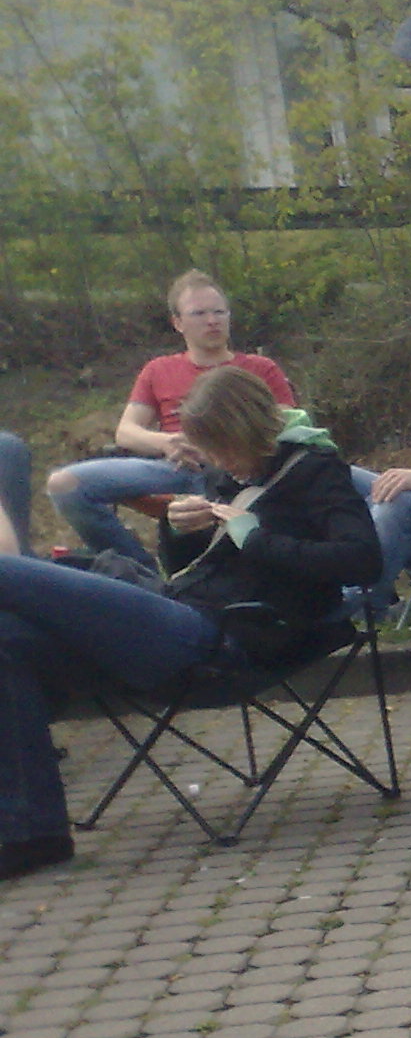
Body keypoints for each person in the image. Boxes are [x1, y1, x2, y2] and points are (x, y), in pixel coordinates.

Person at [0, 365, 379, 882]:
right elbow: (191, 567)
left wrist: (256, 538)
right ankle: (34, 834)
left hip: (222, 640)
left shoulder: (316, 472)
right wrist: (179, 529)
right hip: (174, 609)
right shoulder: (229, 473)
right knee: (8, 638)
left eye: (222, 447)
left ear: (247, 429)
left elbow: (362, 561)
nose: (217, 461)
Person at [48, 269, 411, 607]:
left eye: (220, 311)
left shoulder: (259, 368)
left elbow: (284, 430)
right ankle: (144, 577)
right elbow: (126, 431)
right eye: (200, 313)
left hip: (259, 463)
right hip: (176, 467)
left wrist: (234, 445)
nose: (212, 320)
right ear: (177, 323)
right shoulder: (158, 369)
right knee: (66, 485)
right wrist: (167, 444)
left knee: (387, 489)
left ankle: (379, 583)